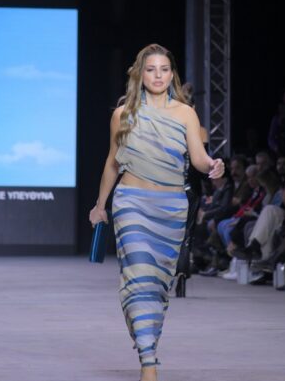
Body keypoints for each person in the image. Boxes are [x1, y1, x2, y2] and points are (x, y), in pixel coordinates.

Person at [88, 44, 225, 381]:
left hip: (172, 208)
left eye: (164, 69)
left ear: (172, 74)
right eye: (151, 69)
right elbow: (112, 162)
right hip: (131, 203)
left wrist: (213, 165)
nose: (158, 75)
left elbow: (198, 158)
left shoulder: (185, 113)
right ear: (140, 74)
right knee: (138, 278)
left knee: (158, 286)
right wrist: (100, 205)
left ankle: (145, 340)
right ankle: (148, 361)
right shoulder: (123, 114)